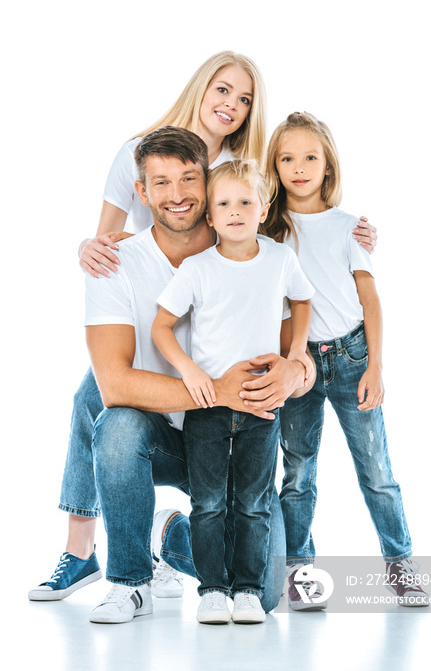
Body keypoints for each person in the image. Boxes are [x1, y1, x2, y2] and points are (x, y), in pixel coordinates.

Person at [27, 48, 377, 603]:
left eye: (244, 99)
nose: (232, 105)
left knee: (268, 591)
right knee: (97, 399)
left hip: (220, 373)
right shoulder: (137, 153)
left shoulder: (237, 179)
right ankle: (81, 552)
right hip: (149, 344)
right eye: (223, 90)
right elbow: (107, 240)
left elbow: (288, 229)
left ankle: (174, 536)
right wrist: (85, 247)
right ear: (200, 88)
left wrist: (349, 233)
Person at [83, 126, 312, 624]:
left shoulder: (253, 250)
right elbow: (114, 386)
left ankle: (169, 537)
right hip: (166, 435)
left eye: (189, 179)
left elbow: (301, 340)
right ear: (141, 193)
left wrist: (296, 368)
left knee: (268, 594)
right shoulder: (114, 262)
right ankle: (129, 580)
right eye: (160, 183)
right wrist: (215, 391)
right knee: (116, 428)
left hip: (245, 432)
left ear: (207, 186)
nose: (177, 195)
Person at [261, 111, 429, 609]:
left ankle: (401, 565)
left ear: (327, 166)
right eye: (287, 158)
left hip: (352, 356)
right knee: (297, 473)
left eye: (310, 157)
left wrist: (376, 365)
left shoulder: (348, 227)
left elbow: (370, 300)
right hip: (299, 364)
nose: (298, 167)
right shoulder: (268, 231)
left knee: (376, 468)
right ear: (274, 165)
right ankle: (300, 571)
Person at [152, 160, 314, 623]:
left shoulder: (280, 259)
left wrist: (296, 354)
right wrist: (189, 372)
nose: (235, 211)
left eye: (246, 202)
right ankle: (213, 591)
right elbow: (163, 327)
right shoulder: (197, 267)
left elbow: (302, 301)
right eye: (224, 203)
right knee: (207, 502)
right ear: (210, 216)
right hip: (208, 406)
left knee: (253, 502)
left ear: (263, 209)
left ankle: (245, 589)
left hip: (263, 405)